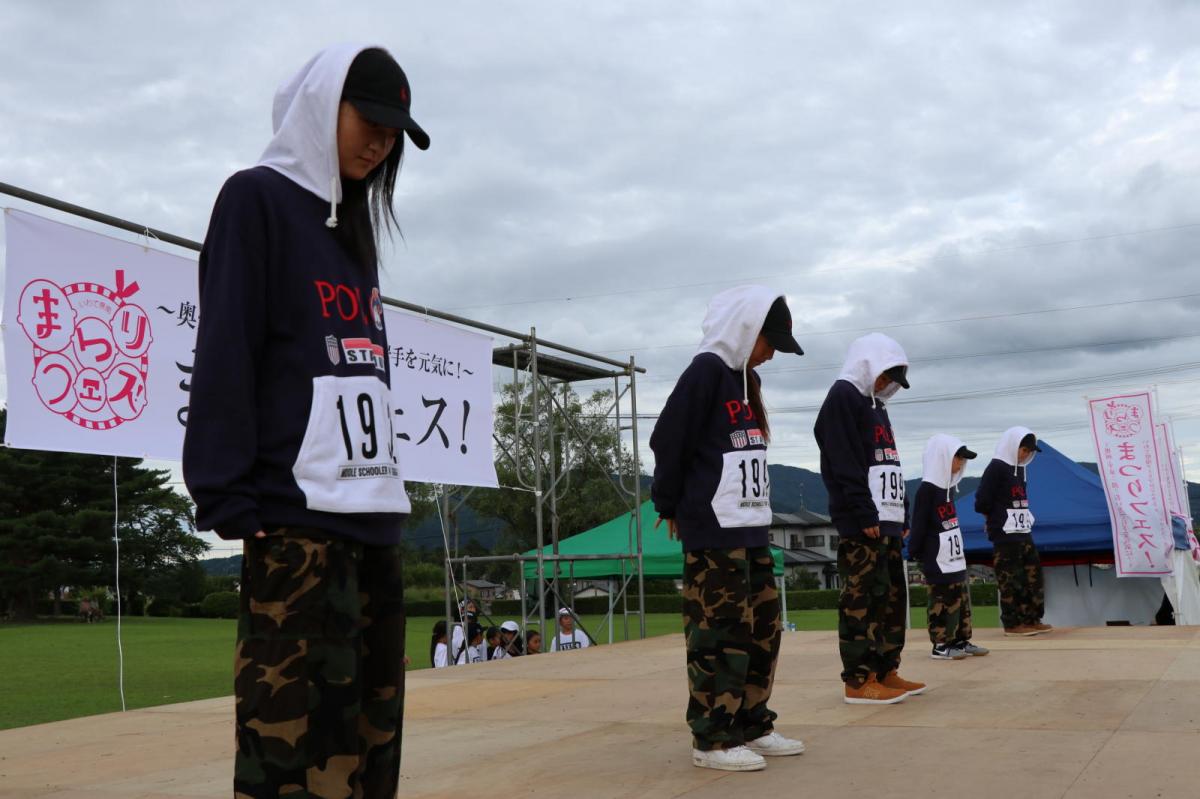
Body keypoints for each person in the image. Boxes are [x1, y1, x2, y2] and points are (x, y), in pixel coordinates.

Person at [182, 43, 430, 798]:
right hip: (295, 521)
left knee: (371, 740)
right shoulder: (255, 198)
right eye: (369, 121)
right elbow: (227, 342)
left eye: (394, 133)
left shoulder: (355, 229)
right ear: (323, 106)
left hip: (373, 516)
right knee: (289, 749)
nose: (381, 142)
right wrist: (226, 492)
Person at [650, 286, 805, 772]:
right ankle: (713, 737)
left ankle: (752, 723)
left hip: (751, 528)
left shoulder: (745, 381)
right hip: (714, 530)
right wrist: (668, 502)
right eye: (769, 341)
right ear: (744, 328)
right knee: (719, 634)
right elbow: (668, 439)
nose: (771, 353)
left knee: (763, 629)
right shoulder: (706, 372)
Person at [813, 333, 923, 705]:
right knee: (861, 600)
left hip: (887, 517)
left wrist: (902, 511)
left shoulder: (878, 407)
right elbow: (842, 458)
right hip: (863, 520)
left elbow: (890, 461)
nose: (885, 383)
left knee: (891, 599)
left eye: (891, 379)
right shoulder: (843, 397)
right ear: (867, 364)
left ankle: (886, 669)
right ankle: (859, 679)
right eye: (884, 375)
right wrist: (861, 509)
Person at [908, 435, 989, 660]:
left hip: (953, 557)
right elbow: (919, 523)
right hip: (935, 557)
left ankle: (960, 639)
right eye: (958, 458)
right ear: (942, 457)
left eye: (963, 460)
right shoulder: (927, 490)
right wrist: (914, 551)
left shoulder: (949, 489)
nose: (961, 464)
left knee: (960, 598)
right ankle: (940, 644)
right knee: (941, 600)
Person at [976, 427, 1052, 636]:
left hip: (1023, 530)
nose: (1026, 455)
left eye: (1029, 452)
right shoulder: (996, 467)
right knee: (1010, 578)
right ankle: (1012, 622)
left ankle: (1032, 618)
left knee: (1033, 576)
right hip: (1005, 533)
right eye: (1024, 450)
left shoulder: (1020, 470)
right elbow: (982, 500)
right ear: (1012, 445)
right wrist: (993, 518)